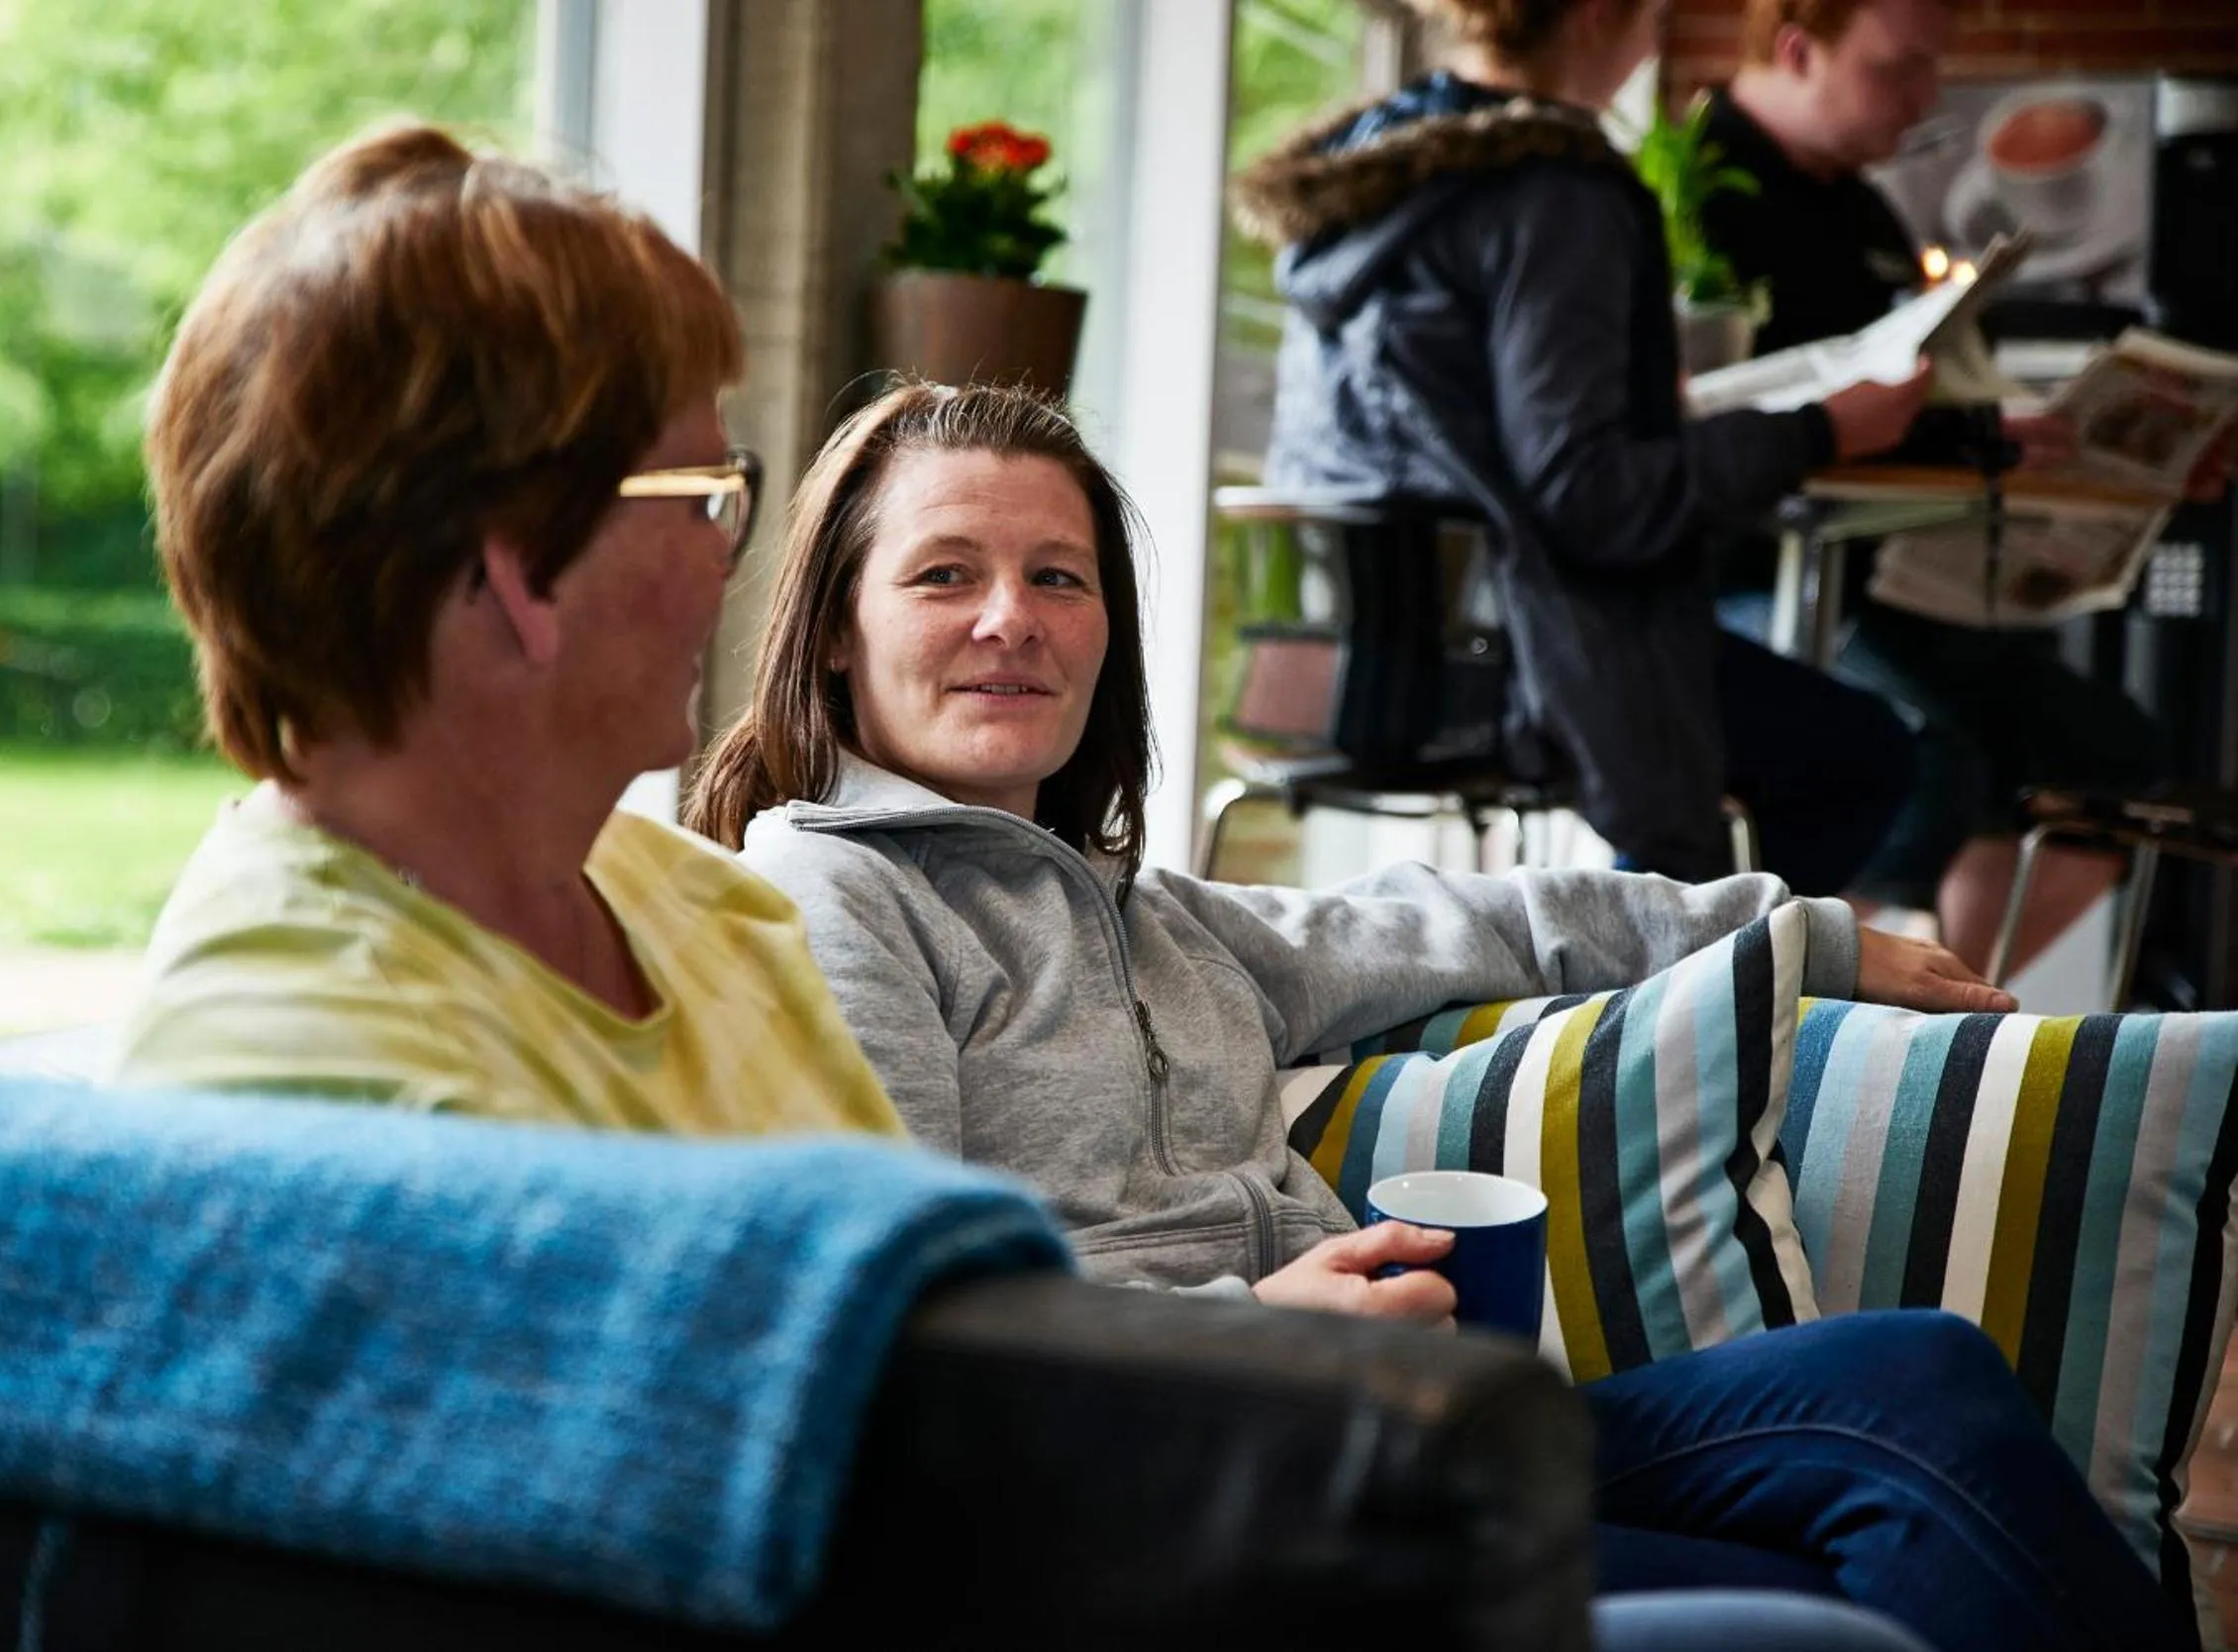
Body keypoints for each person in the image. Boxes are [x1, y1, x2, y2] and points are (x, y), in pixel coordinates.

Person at [689, 379, 2189, 1652]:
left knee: (1911, 1385)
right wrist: (1258, 1327)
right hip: (1194, 1481)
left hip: (1403, 1419)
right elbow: (911, 1338)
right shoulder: (835, 905)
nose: (1011, 619)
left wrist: (1800, 930)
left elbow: (1463, 917)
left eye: (1058, 577)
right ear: (832, 631)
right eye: (946, 574)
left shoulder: (1154, 914)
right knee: (1840, 1605)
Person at [106, 121, 901, 1142]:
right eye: (702, 496)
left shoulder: (699, 903)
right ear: (519, 562)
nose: (723, 557)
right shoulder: (302, 1080)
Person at [1233, 0, 1928, 898]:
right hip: (1511, 662)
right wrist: (1823, 429)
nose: (1654, 37)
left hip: (1346, 666)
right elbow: (1595, 498)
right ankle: (1645, 998)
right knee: (1864, 758)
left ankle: (1638, 977)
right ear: (1600, 13)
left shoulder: (1376, 169)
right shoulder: (1560, 193)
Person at [1697, 0, 2171, 977]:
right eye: (1897, 71)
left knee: (2104, 749)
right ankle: (1796, 1009)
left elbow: (1908, 395)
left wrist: (2022, 438)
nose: (1922, 101)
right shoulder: (1689, 196)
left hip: (1887, 569)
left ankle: (1954, 1032)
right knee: (1925, 762)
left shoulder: (1864, 212)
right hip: (1739, 575)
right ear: (1797, 50)